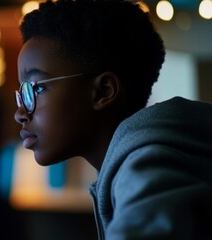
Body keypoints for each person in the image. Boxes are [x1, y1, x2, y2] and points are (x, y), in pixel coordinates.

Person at [13, 0, 212, 239]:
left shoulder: (147, 162)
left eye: (35, 90)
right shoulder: (140, 158)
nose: (20, 113)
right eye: (20, 94)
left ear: (103, 91)